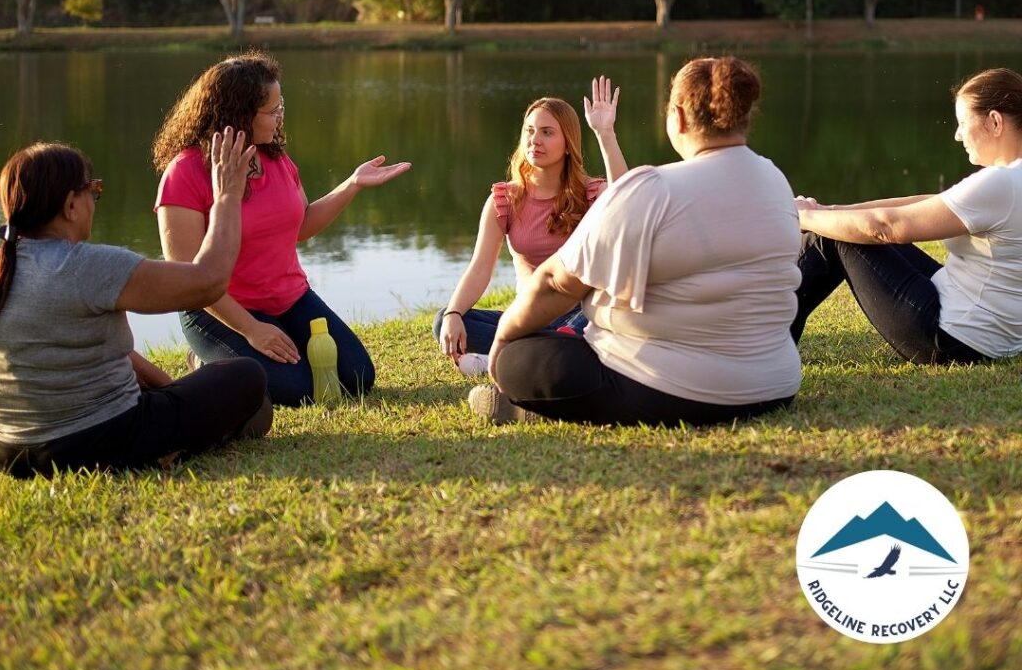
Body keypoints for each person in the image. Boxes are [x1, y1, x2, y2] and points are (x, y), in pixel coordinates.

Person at [469, 56, 802, 426]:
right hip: (776, 387)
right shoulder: (775, 180)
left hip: (672, 392)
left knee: (519, 360)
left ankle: (527, 407)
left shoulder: (653, 187)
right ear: (743, 116)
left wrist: (504, 339)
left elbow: (555, 283)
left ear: (676, 117)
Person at [0, 132, 273, 477]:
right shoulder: (89, 265)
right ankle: (176, 447)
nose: (94, 202)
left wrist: (173, 391)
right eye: (93, 191)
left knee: (213, 393)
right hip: (96, 443)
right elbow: (209, 281)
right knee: (246, 375)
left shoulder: (4, 268)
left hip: (12, 455)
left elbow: (111, 353)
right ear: (71, 205)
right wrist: (227, 196)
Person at [153, 53, 411, 407]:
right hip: (219, 310)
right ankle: (204, 361)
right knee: (298, 390)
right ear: (239, 114)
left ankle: (257, 351)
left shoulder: (274, 158)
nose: (280, 116)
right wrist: (251, 329)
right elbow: (188, 280)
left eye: (281, 105)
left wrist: (352, 184)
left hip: (288, 299)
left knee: (358, 377)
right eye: (272, 110)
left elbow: (301, 226)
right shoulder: (185, 174)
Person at [792, 67, 1022, 366]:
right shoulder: (1010, 181)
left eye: (963, 123)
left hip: (952, 340)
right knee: (837, 225)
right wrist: (828, 211)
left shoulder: (1000, 183)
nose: (957, 134)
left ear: (994, 121)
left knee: (831, 237)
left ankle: (764, 345)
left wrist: (803, 218)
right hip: (995, 336)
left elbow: (886, 227)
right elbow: (930, 203)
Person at [434, 76, 628, 376]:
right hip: (528, 317)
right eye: (529, 131)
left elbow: (626, 201)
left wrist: (605, 134)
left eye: (547, 133)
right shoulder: (504, 199)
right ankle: (538, 352)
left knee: (603, 317)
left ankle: (510, 356)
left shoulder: (592, 194)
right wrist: (454, 313)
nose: (535, 140)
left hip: (582, 315)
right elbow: (480, 268)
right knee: (445, 321)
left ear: (567, 145)